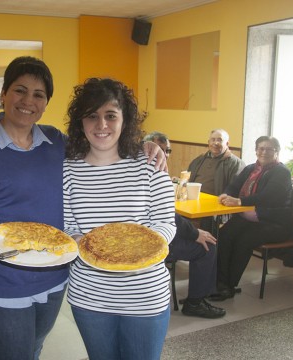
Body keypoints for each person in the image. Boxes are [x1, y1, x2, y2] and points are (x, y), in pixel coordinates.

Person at [0, 57, 166, 360]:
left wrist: (147, 145)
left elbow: (104, 140)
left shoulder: (56, 143)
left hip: (52, 281)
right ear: (3, 94)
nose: (27, 101)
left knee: (33, 350)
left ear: (46, 103)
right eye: (20, 90)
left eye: (38, 95)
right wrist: (2, 245)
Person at [63, 78, 176, 360]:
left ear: (125, 120)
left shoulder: (151, 163)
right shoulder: (68, 169)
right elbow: (67, 226)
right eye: (92, 116)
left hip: (144, 295)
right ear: (81, 122)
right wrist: (83, 242)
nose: (101, 125)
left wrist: (133, 251)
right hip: (89, 296)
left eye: (110, 115)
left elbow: (166, 223)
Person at [147, 131, 225, 318]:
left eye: (168, 151)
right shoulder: (151, 174)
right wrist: (195, 233)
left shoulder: (151, 171)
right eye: (160, 150)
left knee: (203, 235)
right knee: (208, 246)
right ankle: (195, 303)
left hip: (155, 233)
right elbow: (170, 216)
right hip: (154, 242)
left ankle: (205, 293)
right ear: (147, 149)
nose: (164, 155)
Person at [210, 136, 292, 301]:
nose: (264, 152)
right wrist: (226, 194)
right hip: (249, 218)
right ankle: (219, 282)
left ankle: (229, 286)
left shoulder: (282, 172)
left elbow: (268, 196)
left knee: (244, 240)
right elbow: (234, 185)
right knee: (224, 234)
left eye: (269, 149)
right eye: (261, 148)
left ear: (277, 152)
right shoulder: (250, 169)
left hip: (273, 222)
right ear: (256, 150)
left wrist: (240, 201)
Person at [188, 129, 245, 196]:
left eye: (219, 140)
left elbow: (235, 190)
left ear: (227, 144)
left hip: (218, 203)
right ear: (208, 142)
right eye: (213, 140)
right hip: (193, 198)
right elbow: (187, 177)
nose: (215, 143)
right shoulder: (199, 159)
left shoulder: (236, 164)